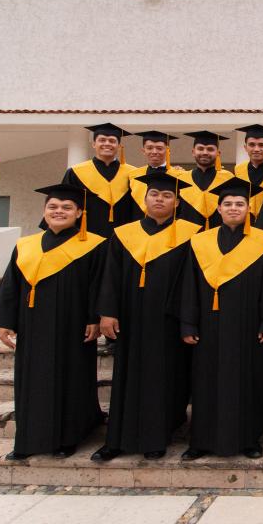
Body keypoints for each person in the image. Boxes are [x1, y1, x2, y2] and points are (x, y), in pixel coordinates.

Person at [0, 183, 106, 461]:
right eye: (53, 207)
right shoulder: (26, 245)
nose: (59, 211)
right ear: (44, 211)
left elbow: (99, 284)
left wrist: (94, 318)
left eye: (67, 207)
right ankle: (28, 438)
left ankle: (69, 436)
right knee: (32, 380)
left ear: (79, 213)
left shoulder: (94, 245)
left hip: (73, 325)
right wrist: (5, 321)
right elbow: (11, 286)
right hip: (33, 325)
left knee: (72, 378)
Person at [91, 172, 202, 462]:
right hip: (130, 318)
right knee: (126, 375)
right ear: (144, 199)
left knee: (165, 377)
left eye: (167, 196)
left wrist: (188, 319)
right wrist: (107, 313)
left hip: (168, 319)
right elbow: (110, 277)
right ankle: (117, 438)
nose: (160, 200)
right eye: (154, 194)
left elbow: (193, 282)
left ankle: (158, 435)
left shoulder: (191, 234)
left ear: (177, 202)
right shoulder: (124, 234)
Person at [176, 177, 263, 460]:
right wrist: (188, 322)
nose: (234, 208)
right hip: (208, 325)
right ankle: (200, 441)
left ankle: (248, 439)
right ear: (218, 209)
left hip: (248, 324)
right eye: (228, 204)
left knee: (247, 381)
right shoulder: (200, 241)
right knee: (205, 381)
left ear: (249, 208)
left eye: (240, 203)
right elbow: (189, 285)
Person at [61, 123, 139, 238]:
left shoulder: (133, 173)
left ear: (119, 146)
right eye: (102, 140)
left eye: (112, 141)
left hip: (124, 239)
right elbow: (65, 204)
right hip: (85, 238)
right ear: (93, 144)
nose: (107, 143)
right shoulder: (75, 172)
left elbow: (138, 210)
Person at [176, 131, 234, 230]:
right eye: (200, 149)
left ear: (218, 153)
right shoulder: (181, 179)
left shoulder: (228, 179)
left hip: (219, 235)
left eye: (210, 149)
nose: (205, 152)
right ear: (193, 152)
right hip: (187, 235)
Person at [128, 130, 182, 214]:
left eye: (159, 148)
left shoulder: (179, 175)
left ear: (168, 151)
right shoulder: (133, 175)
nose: (154, 152)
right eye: (149, 148)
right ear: (143, 151)